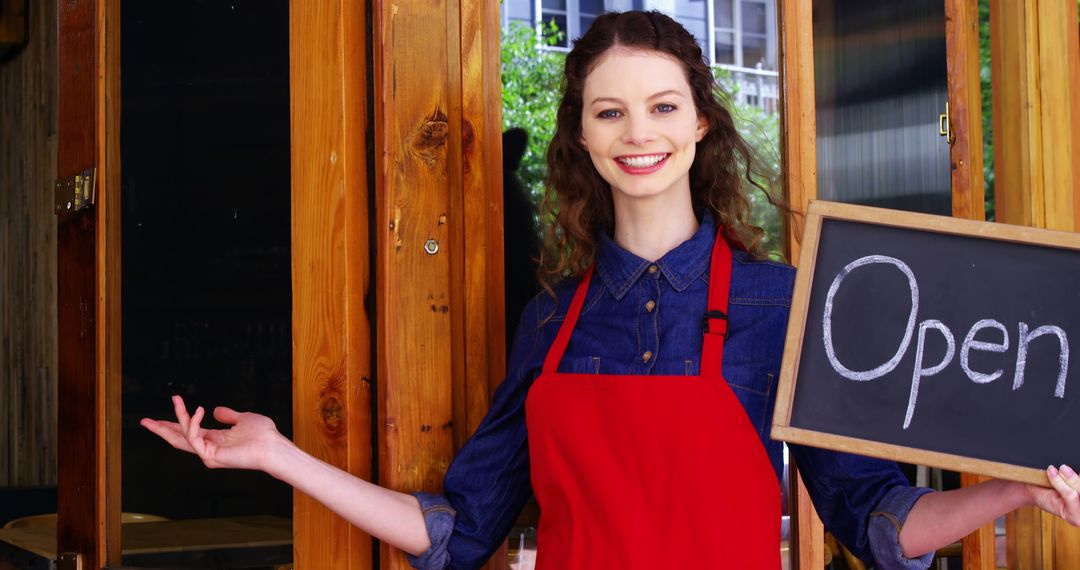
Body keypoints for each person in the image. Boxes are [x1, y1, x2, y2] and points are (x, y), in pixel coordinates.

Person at [142, 10, 1080, 570]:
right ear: (583, 138)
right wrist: (280, 459)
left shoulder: (785, 304)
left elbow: (878, 524)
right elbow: (459, 532)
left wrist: (1020, 489)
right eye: (611, 110)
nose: (641, 131)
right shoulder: (552, 320)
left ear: (703, 125)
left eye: (664, 106)